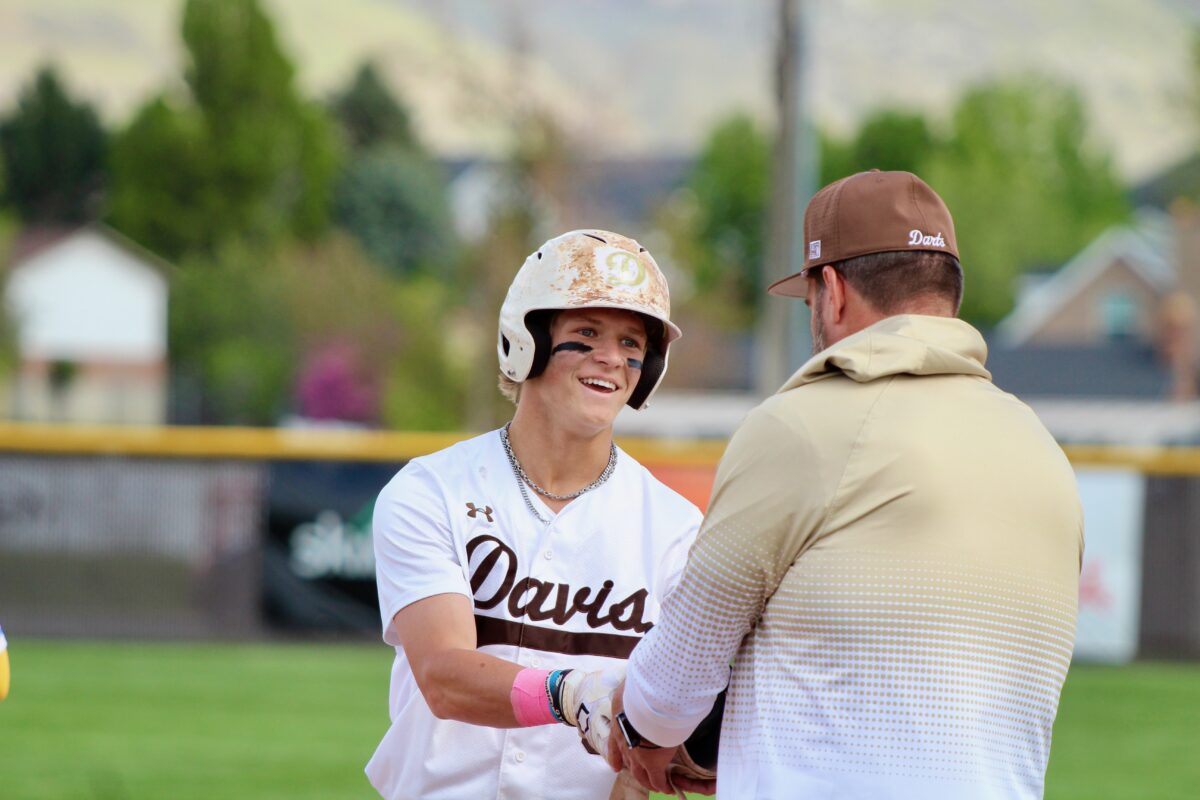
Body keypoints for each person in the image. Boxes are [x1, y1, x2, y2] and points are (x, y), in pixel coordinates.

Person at [605, 170, 1084, 799]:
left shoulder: (803, 425)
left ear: (830, 291)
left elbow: (676, 681)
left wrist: (630, 723)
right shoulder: (1043, 453)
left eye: (808, 303)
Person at [365, 229, 705, 800]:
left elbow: (669, 714)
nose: (611, 358)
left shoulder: (674, 528)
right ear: (529, 340)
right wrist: (571, 695)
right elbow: (444, 677)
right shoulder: (430, 491)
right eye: (586, 333)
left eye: (631, 342)